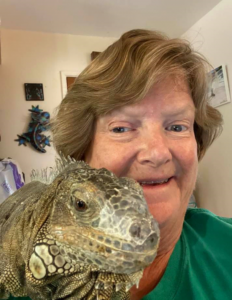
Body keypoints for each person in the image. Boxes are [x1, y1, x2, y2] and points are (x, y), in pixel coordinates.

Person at [9, 29, 232, 300]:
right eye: (121, 128)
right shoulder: (14, 275)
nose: (157, 153)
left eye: (177, 126)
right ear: (82, 152)